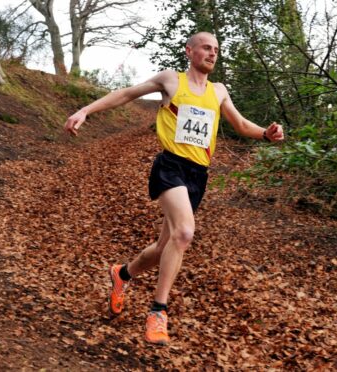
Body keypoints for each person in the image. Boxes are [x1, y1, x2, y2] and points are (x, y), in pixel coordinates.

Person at [63, 31, 284, 345]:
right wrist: (85, 110)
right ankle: (158, 311)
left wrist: (266, 133)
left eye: (216, 49)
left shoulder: (218, 91)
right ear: (189, 51)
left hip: (198, 175)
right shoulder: (171, 80)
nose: (213, 53)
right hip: (170, 166)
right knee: (184, 234)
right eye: (206, 47)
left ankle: (122, 274)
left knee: (161, 248)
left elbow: (240, 124)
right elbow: (128, 93)